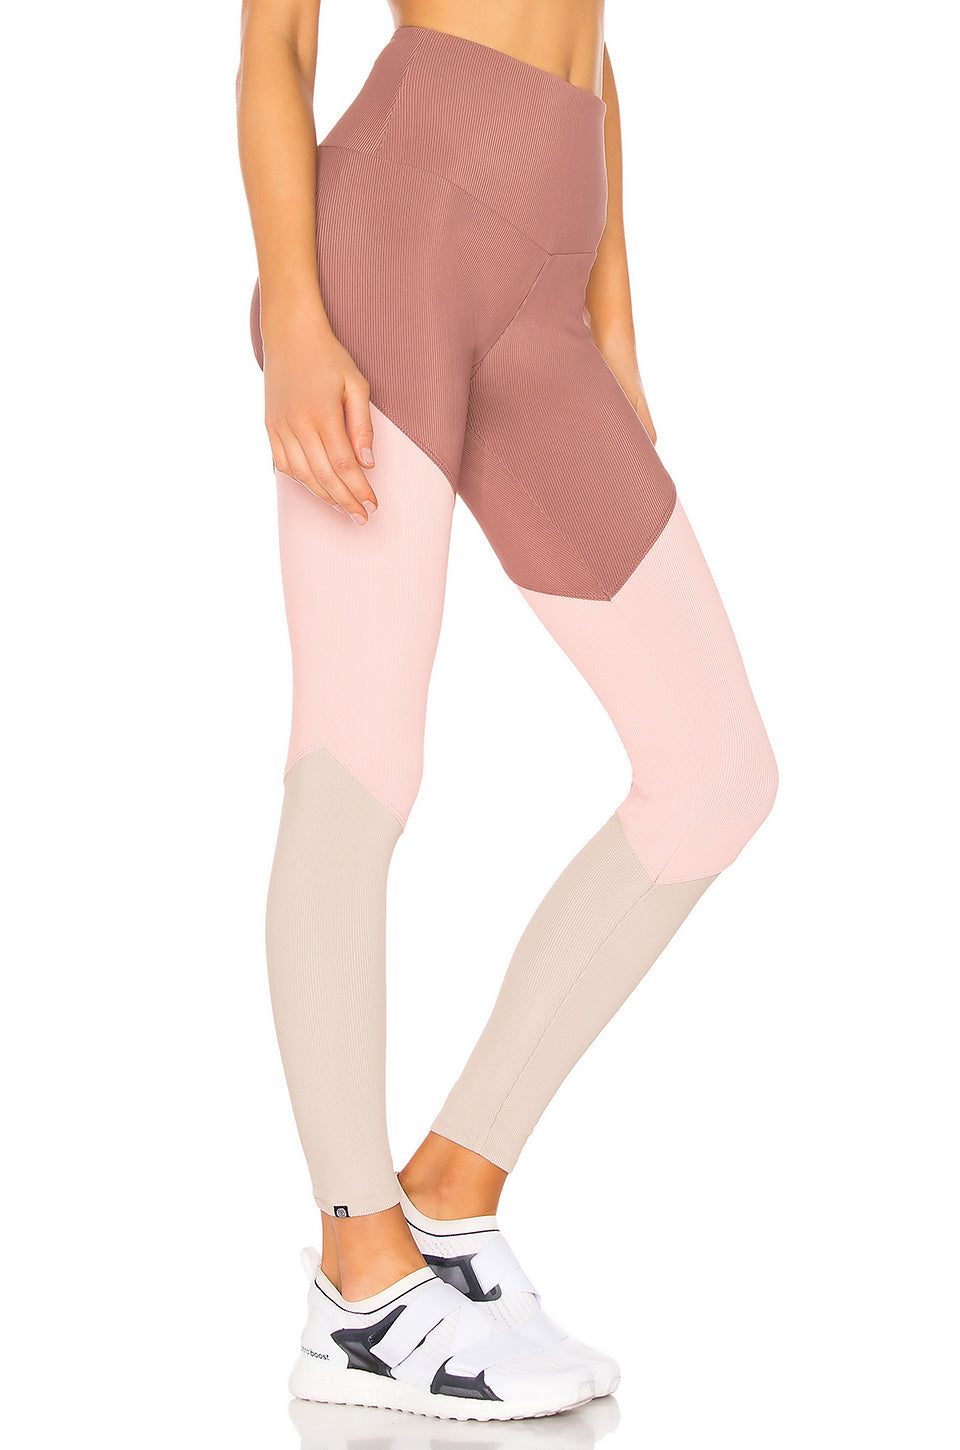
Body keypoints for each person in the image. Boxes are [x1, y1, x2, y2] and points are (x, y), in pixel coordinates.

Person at [236, 0, 778, 1422]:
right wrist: (293, 313)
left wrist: (613, 314)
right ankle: (360, 1283)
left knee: (716, 769)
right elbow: (276, 43)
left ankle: (448, 1193)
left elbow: (595, 39)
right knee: (357, 762)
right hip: (395, 240)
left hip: (547, 260)